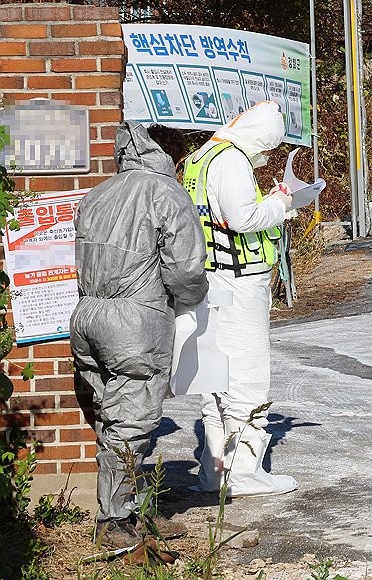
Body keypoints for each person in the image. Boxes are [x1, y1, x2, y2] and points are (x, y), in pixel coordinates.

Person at [72, 121, 209, 549]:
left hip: (87, 316)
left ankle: (137, 511)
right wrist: (197, 295)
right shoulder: (166, 192)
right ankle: (115, 522)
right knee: (129, 425)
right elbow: (186, 270)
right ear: (173, 156)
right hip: (134, 323)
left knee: (110, 419)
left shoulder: (98, 194)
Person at [182, 101, 297, 496]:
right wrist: (281, 204)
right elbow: (242, 218)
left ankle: (214, 472)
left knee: (215, 379)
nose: (267, 157)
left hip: (211, 280)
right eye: (269, 147)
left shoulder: (202, 157)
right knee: (247, 379)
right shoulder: (231, 161)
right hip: (239, 281)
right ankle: (244, 472)